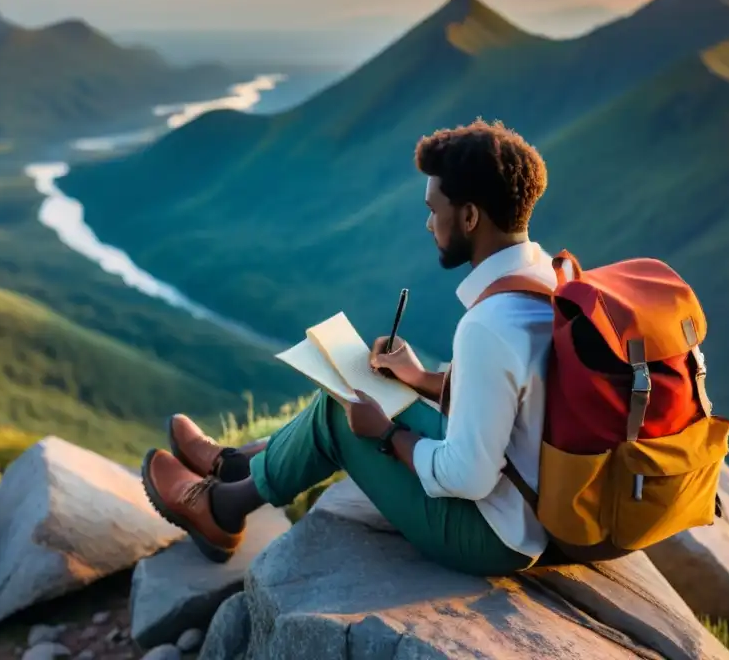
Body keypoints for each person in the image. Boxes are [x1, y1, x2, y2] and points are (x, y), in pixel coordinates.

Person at [141, 117, 557, 576]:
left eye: (434, 208)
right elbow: (510, 405)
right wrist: (419, 380)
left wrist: (387, 434)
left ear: (470, 216)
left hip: (489, 535)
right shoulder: (543, 280)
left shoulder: (489, 324)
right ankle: (238, 464)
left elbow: (469, 476)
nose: (428, 223)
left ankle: (222, 507)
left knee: (342, 413)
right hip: (523, 500)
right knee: (356, 394)